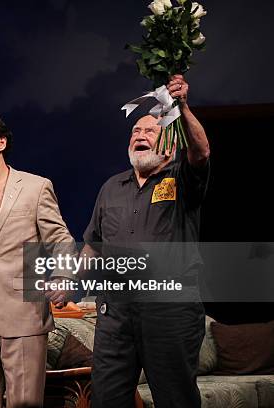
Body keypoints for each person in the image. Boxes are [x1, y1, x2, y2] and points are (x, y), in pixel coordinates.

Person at [82, 74, 210, 407]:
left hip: (169, 311)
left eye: (150, 131)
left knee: (175, 399)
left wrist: (180, 105)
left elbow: (202, 151)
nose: (140, 135)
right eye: (135, 132)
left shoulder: (181, 177)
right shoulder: (111, 187)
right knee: (107, 399)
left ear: (169, 141)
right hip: (115, 314)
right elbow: (94, 245)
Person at [0, 107, 77, 408]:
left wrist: (63, 277)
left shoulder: (35, 187)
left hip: (24, 309)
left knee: (25, 402)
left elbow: (61, 240)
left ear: (1, 143)